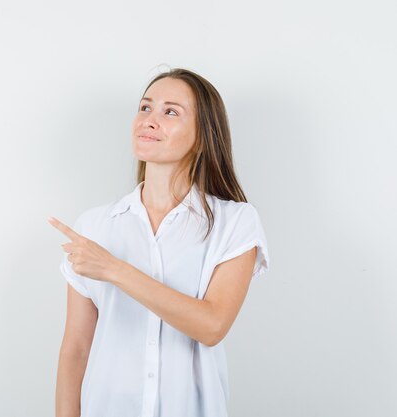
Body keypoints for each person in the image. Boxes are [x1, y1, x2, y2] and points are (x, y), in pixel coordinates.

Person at [49, 67, 270, 417]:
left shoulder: (235, 222)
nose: (149, 120)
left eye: (170, 112)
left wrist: (114, 269)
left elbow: (212, 326)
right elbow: (76, 349)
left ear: (202, 136)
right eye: (145, 107)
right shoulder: (94, 226)